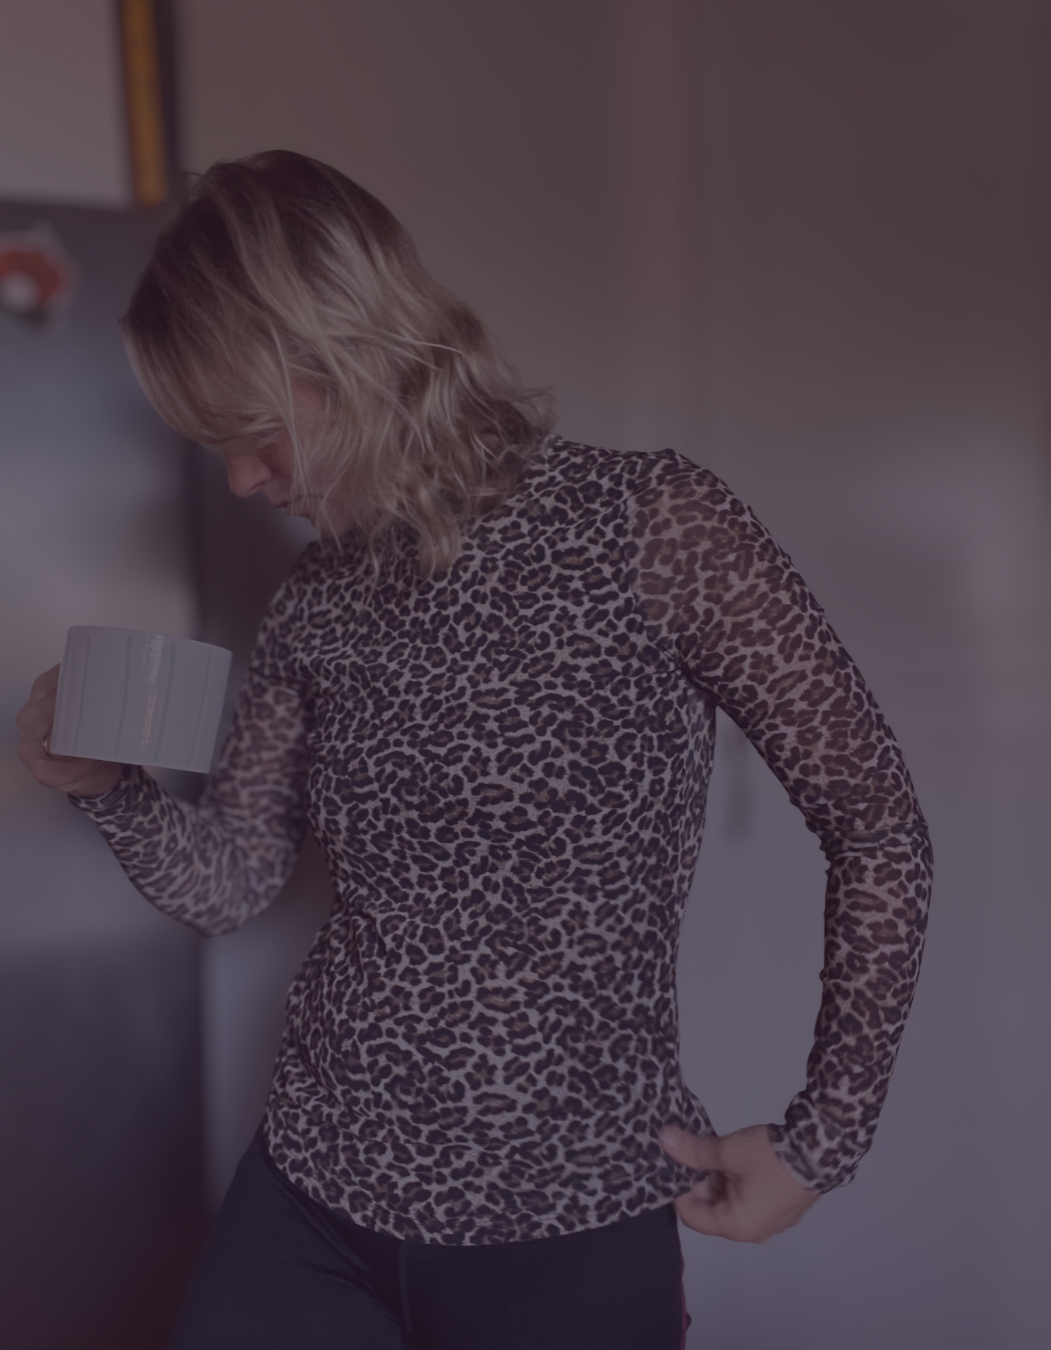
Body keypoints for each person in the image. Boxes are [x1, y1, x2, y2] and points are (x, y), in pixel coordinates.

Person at [15, 151, 932, 1350]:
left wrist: (824, 1137)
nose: (241, 481)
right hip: (310, 1193)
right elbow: (234, 878)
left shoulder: (654, 527)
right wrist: (107, 789)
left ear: (344, 357)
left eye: (255, 435)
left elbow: (878, 827)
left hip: (567, 1222)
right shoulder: (313, 602)